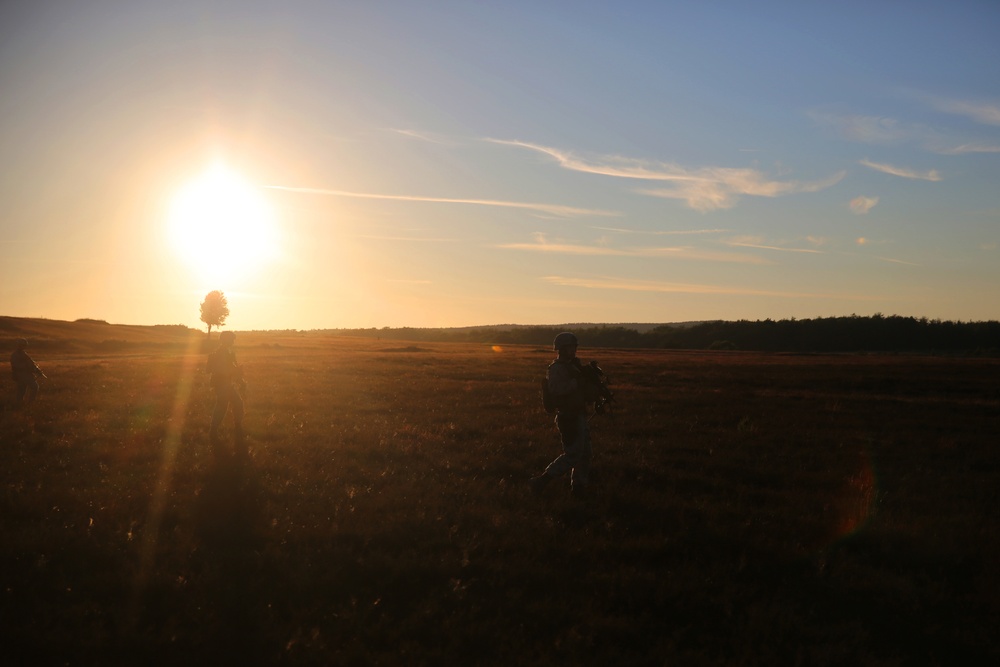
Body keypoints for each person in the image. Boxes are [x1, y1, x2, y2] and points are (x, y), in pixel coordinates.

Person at [531, 332, 599, 497]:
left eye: (574, 347)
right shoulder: (556, 369)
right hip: (568, 417)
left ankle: (579, 487)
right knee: (573, 454)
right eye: (570, 347)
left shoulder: (573, 366)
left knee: (585, 454)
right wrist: (577, 382)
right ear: (561, 349)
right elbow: (556, 390)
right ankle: (542, 481)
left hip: (579, 415)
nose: (574, 350)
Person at [207, 331, 246, 459]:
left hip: (226, 384)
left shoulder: (227, 352)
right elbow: (224, 370)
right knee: (222, 406)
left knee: (237, 403)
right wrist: (237, 373)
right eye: (232, 339)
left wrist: (240, 379)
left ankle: (237, 426)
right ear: (226, 340)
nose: (233, 341)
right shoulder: (221, 353)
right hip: (222, 384)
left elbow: (232, 369)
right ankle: (214, 431)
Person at [10, 338, 46, 408]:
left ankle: (20, 404)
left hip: (25, 375)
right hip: (21, 375)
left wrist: (37, 370)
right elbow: (16, 365)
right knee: (32, 387)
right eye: (22, 345)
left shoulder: (23, 354)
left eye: (24, 345)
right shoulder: (15, 355)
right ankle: (29, 403)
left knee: (22, 389)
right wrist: (28, 367)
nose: (23, 346)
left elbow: (31, 364)